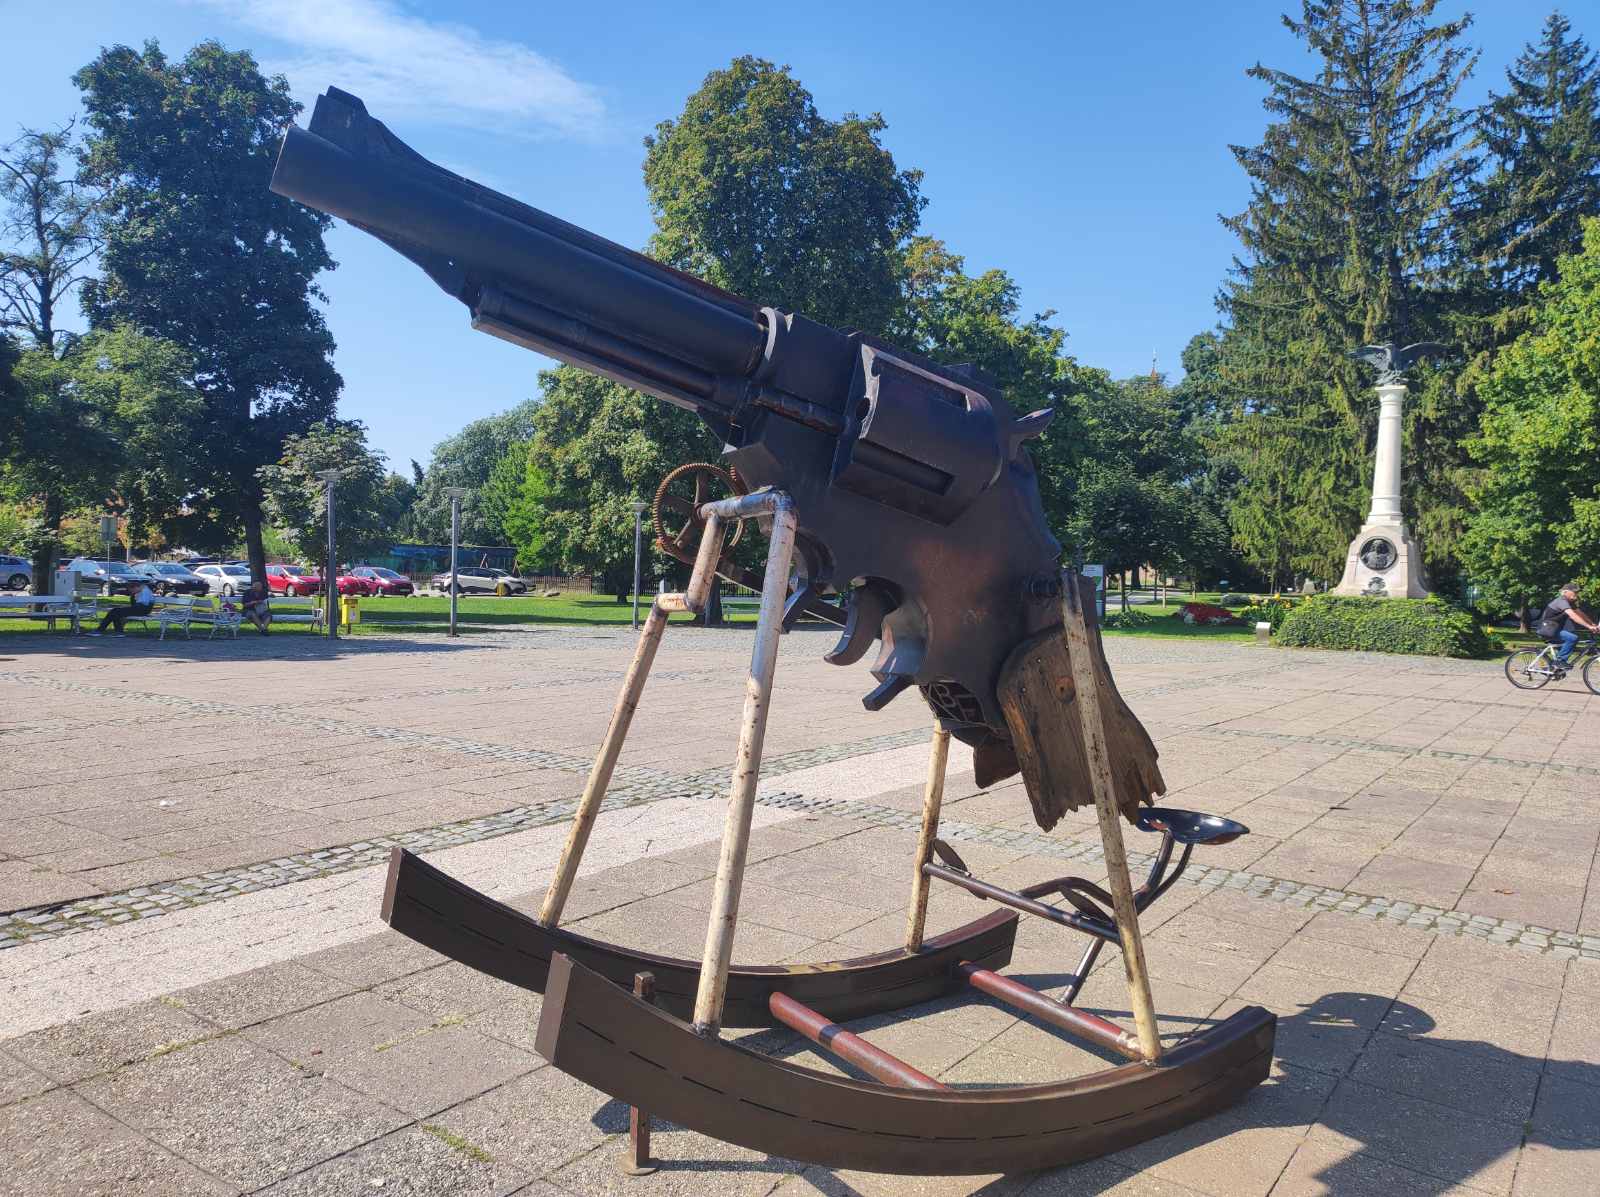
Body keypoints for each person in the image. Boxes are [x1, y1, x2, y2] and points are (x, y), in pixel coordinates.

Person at [1537, 582, 1598, 669]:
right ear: (1565, 592)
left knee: (1567, 643)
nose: (1576, 593)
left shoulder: (1570, 602)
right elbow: (1573, 616)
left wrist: (1592, 624)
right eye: (1574, 592)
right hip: (1547, 629)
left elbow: (1580, 614)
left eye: (1577, 592)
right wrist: (1588, 627)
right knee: (1573, 638)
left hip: (1554, 629)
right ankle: (1560, 661)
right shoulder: (1561, 601)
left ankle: (1553, 669)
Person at [89, 579, 155, 636]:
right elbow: (137, 604)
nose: (132, 592)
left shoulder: (145, 592)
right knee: (116, 612)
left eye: (132, 590)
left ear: (135, 587)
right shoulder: (142, 590)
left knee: (115, 611)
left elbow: (142, 605)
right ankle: (117, 632)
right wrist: (127, 607)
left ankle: (101, 630)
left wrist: (126, 607)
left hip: (143, 610)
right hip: (141, 609)